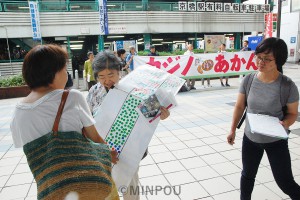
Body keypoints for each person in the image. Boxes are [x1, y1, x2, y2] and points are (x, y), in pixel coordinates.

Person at [10, 44, 119, 199]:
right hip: (88, 183)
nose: (67, 74)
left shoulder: (18, 112)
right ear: (53, 73)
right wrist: (109, 155)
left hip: (52, 190)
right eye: (64, 70)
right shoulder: (71, 97)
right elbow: (96, 139)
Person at [87, 50, 170, 200]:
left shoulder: (134, 88)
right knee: (105, 188)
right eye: (101, 77)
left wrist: (162, 115)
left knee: (130, 187)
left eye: (111, 75)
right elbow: (88, 119)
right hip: (104, 150)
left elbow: (152, 113)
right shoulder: (93, 92)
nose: (107, 80)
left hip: (129, 150)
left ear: (119, 71)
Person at [227, 37, 300, 200]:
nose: (261, 61)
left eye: (267, 59)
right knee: (247, 176)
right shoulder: (249, 80)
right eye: (259, 57)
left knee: (285, 182)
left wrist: (286, 123)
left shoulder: (287, 86)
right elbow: (240, 106)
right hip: (251, 138)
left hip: (276, 141)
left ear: (278, 61)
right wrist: (232, 130)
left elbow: (293, 113)